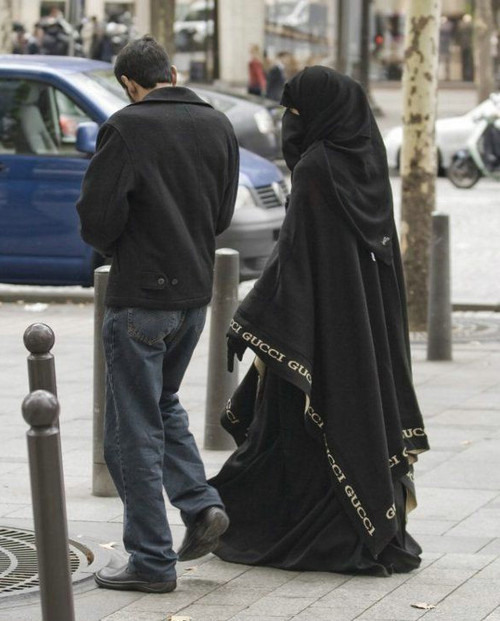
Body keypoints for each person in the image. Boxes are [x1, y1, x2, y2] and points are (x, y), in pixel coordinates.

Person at [210, 66, 430, 576]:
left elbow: (293, 263)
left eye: (296, 112)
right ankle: (367, 526)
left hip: (317, 335)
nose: (289, 122)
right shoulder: (368, 165)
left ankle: (316, 535)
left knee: (303, 436)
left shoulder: (316, 170)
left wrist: (248, 322)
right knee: (355, 422)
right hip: (364, 334)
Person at [76, 35, 239, 593]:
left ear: (129, 82)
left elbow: (97, 220)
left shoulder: (126, 126)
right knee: (161, 406)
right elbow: (221, 214)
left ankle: (150, 560)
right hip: (195, 295)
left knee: (130, 435)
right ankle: (199, 505)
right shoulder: (218, 124)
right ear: (172, 71)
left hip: (140, 298)